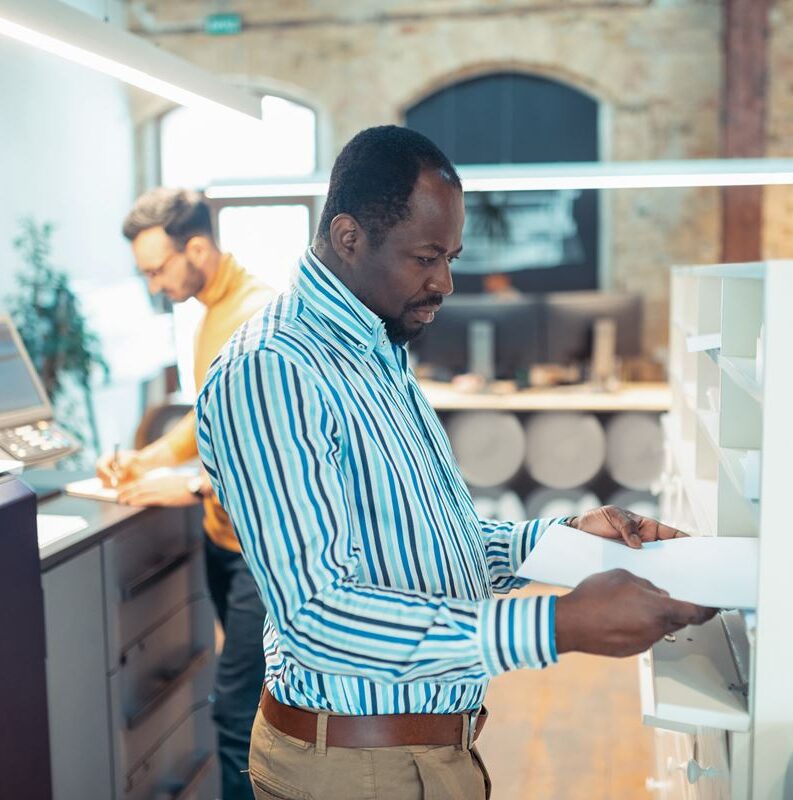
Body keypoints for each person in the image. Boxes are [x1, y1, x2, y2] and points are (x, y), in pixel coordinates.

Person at [195, 126, 714, 800]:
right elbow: (318, 614)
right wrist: (555, 626)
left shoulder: (376, 347)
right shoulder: (273, 371)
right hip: (354, 766)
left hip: (426, 750)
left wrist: (557, 544)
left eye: (451, 256)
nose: (445, 280)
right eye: (425, 256)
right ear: (349, 238)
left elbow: (427, 551)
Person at [96, 188, 273, 800]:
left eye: (156, 270)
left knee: (236, 714)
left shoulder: (258, 317)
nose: (153, 286)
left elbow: (274, 452)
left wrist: (193, 483)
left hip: (261, 555)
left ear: (196, 247)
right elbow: (209, 417)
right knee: (259, 707)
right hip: (224, 544)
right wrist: (148, 457)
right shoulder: (208, 315)